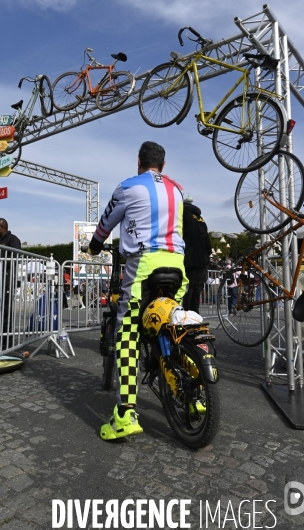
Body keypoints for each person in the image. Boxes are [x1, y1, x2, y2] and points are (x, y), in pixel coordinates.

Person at [87, 141, 188, 440]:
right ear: (163, 165)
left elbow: (105, 225)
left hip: (144, 265)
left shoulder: (127, 187)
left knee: (127, 333)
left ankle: (125, 414)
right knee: (173, 324)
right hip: (177, 263)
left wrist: (94, 247)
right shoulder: (178, 189)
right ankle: (189, 392)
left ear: (139, 162)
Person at [0, 219, 21, 349]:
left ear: (1, 226)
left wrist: (0, 264)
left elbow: (16, 258)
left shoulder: (12, 240)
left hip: (7, 280)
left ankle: (6, 339)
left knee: (5, 311)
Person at [181, 196, 212, 314]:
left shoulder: (181, 214)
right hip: (202, 263)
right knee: (196, 293)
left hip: (188, 259)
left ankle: (184, 320)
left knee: (186, 293)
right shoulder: (200, 219)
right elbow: (207, 243)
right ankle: (195, 320)